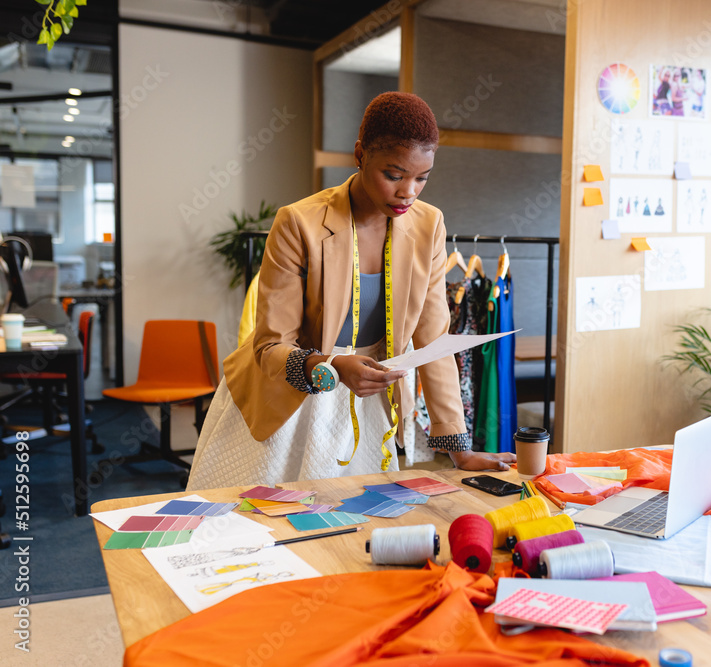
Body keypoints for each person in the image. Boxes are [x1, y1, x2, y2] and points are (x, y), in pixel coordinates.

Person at [188, 92, 516, 489]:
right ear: (360, 155)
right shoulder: (299, 223)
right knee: (256, 527)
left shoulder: (429, 224)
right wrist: (330, 369)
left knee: (355, 530)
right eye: (394, 175)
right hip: (287, 399)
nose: (408, 192)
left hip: (368, 398)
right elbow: (270, 346)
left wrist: (459, 447)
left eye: (422, 178)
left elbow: (433, 339)